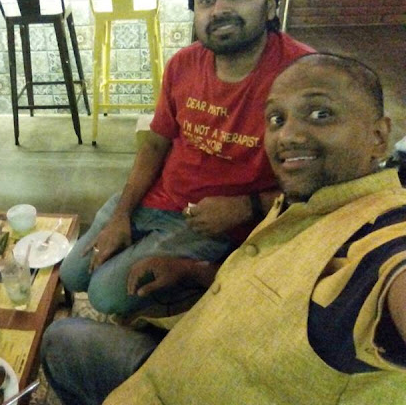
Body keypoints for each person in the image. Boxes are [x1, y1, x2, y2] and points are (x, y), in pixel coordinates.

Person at [44, 53, 406, 404]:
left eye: (321, 114)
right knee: (65, 307)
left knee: (96, 302)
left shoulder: (379, 234)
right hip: (180, 354)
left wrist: (245, 206)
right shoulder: (298, 202)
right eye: (276, 119)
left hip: (187, 387)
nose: (289, 135)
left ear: (379, 137)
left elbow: (389, 276)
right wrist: (192, 270)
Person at [59, 0, 313, 317]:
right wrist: (122, 214)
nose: (220, 9)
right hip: (156, 199)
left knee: (104, 295)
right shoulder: (183, 64)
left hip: (211, 226)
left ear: (271, 4)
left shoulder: (302, 77)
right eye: (206, 0)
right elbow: (155, 144)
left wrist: (247, 207)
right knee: (71, 273)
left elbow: (323, 185)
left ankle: (198, 284)